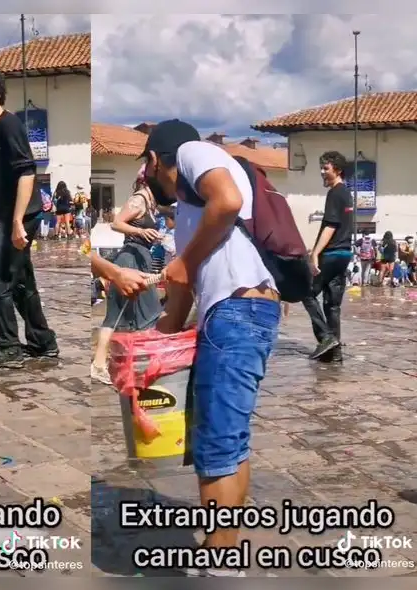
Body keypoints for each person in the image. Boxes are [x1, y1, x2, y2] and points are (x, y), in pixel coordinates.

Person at [144, 119, 280, 577]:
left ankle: (220, 563)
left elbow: (230, 200)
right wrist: (150, 351)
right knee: (226, 441)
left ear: (152, 161)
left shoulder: (192, 154)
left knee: (218, 443)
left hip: (236, 313)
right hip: (233, 315)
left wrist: (183, 260)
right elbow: (182, 292)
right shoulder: (188, 213)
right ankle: (223, 547)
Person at [0, 67, 57, 368]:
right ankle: (43, 342)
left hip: (20, 217)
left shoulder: (9, 124)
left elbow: (27, 172)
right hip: (12, 215)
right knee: (21, 285)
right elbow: (3, 183)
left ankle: (9, 348)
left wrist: (16, 222)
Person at [91, 167, 163, 384]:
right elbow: (116, 223)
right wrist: (141, 232)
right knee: (117, 314)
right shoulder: (139, 200)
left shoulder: (151, 204)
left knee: (142, 312)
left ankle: (134, 361)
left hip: (141, 257)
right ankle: (98, 364)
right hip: (129, 259)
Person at [301, 151, 354, 363]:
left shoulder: (335, 193)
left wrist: (315, 253)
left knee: (307, 292)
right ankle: (335, 353)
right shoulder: (346, 193)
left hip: (331, 253)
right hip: (345, 253)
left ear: (338, 170)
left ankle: (326, 337)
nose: (323, 172)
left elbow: (331, 225)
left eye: (326, 168)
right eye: (322, 168)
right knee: (332, 304)